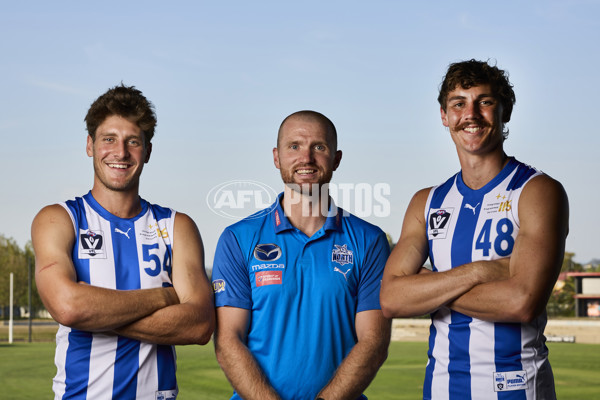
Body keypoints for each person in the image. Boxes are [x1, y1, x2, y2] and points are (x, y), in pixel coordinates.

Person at [380, 59, 569, 399]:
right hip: (440, 388)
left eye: (484, 101)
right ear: (444, 116)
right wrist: (482, 271)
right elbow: (392, 298)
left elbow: (521, 302)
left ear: (504, 112)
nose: (471, 114)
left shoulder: (537, 191)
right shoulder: (426, 202)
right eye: (458, 104)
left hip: (516, 389)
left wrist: (426, 286)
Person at [32, 84, 215, 399]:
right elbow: (68, 307)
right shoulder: (59, 220)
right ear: (90, 145)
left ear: (148, 150)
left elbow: (199, 326)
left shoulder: (177, 226)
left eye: (133, 141)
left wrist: (97, 313)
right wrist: (164, 298)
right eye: (108, 139)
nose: (120, 153)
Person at [212, 110, 391, 400]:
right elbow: (228, 340)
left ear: (336, 158)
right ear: (276, 157)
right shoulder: (237, 238)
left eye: (318, 147)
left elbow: (374, 342)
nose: (306, 158)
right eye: (294, 146)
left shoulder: (369, 241)